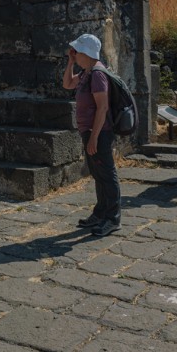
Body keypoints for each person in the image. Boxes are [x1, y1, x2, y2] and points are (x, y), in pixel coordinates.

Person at [63, 34, 121, 237]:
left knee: (107, 174)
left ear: (86, 53)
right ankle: (101, 213)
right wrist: (71, 62)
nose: (75, 54)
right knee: (98, 174)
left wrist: (95, 136)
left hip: (99, 132)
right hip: (90, 131)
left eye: (77, 51)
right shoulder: (87, 72)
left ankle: (112, 219)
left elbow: (102, 107)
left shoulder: (97, 74)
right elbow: (67, 84)